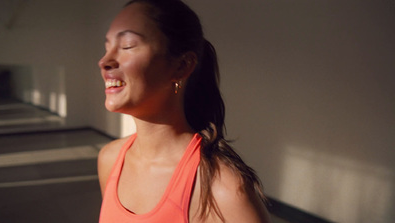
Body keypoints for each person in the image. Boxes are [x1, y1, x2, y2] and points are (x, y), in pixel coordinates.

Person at [97, 0, 271, 222]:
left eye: (128, 45)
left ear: (182, 66)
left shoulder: (223, 189)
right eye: (107, 47)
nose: (105, 61)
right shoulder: (109, 159)